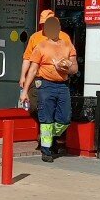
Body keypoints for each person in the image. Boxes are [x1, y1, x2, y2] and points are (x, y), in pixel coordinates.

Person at [20, 17, 77, 163]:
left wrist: (65, 67)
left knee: (64, 118)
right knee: (46, 119)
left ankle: (49, 137)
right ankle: (46, 151)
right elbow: (33, 70)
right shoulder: (41, 46)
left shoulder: (67, 44)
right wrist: (25, 90)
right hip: (45, 84)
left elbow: (75, 68)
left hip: (62, 85)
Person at [18, 9, 73, 118]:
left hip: (59, 80)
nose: (44, 27)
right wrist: (22, 76)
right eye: (42, 24)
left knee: (57, 112)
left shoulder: (64, 37)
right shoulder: (35, 37)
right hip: (38, 79)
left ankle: (49, 131)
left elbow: (70, 59)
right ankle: (44, 128)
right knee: (33, 106)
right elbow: (27, 58)